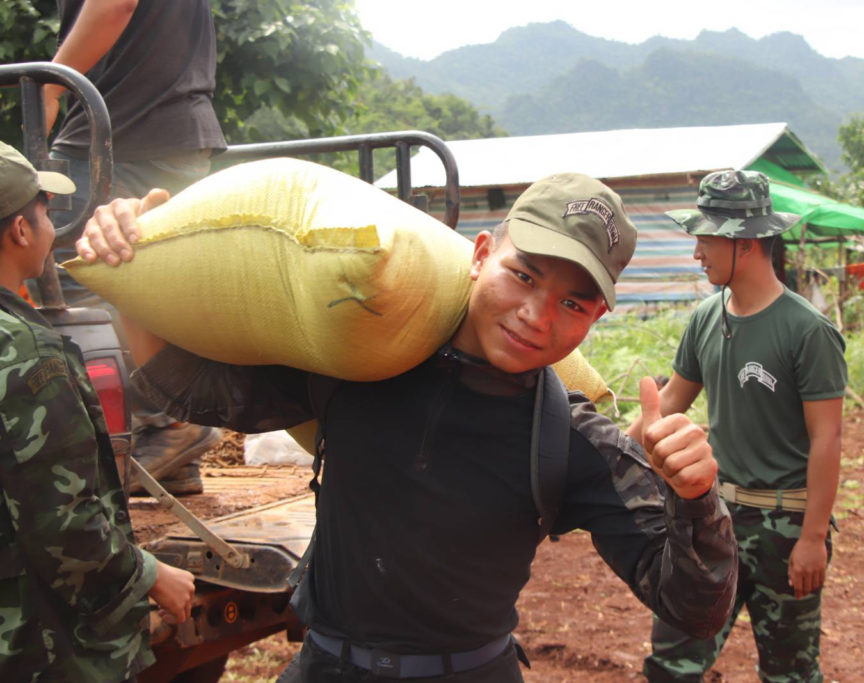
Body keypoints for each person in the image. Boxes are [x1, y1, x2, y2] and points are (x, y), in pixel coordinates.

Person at [77, 172, 739, 682]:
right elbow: (196, 388)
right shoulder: (358, 357)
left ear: (592, 321)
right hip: (323, 667)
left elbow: (694, 607)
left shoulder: (570, 436)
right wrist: (128, 252)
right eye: (523, 274)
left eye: (571, 302)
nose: (538, 315)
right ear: (480, 254)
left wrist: (695, 497)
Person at [628, 170, 847, 682]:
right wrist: (604, 450)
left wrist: (813, 537)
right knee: (672, 662)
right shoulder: (705, 317)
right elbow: (670, 403)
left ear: (744, 243)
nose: (697, 253)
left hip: (784, 527)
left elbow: (827, 439)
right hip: (712, 519)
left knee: (789, 671)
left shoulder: (807, 332)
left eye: (706, 239)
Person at [0, 141, 195, 681]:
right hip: (38, 650)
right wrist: (151, 574)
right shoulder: (24, 353)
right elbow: (63, 523)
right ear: (20, 231)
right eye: (43, 213)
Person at [41, 0, 228, 495]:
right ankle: (168, 446)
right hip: (169, 125)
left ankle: (169, 422)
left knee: (69, 281)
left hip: (123, 126)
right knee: (150, 282)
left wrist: (50, 85)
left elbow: (114, 4)